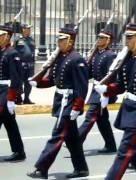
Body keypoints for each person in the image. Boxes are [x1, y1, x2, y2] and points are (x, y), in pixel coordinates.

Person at [95, 24, 136, 180]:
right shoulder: (128, 59)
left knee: (125, 151)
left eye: (130, 38)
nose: (127, 41)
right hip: (130, 108)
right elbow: (122, 86)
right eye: (127, 37)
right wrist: (106, 89)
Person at [27, 24, 89, 179]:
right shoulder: (60, 57)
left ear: (70, 41)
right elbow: (54, 80)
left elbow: (82, 87)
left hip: (69, 103)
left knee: (57, 135)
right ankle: (81, 168)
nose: (58, 42)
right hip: (61, 101)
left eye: (62, 40)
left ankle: (42, 167)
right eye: (58, 40)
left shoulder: (77, 59)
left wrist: (77, 106)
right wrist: (39, 83)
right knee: (72, 138)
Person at [77, 28, 117, 153]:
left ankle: (76, 141)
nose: (98, 40)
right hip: (95, 90)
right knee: (102, 120)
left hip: (103, 91)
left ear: (108, 40)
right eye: (98, 37)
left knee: (90, 116)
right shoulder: (96, 54)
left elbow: (112, 76)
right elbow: (89, 74)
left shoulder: (110, 55)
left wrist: (107, 93)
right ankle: (111, 145)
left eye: (101, 38)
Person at [0, 22, 26, 162]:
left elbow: (16, 77)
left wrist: (11, 98)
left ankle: (19, 151)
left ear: (7, 37)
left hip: (6, 90)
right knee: (10, 123)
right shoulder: (1, 51)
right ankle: (19, 151)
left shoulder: (12, 53)